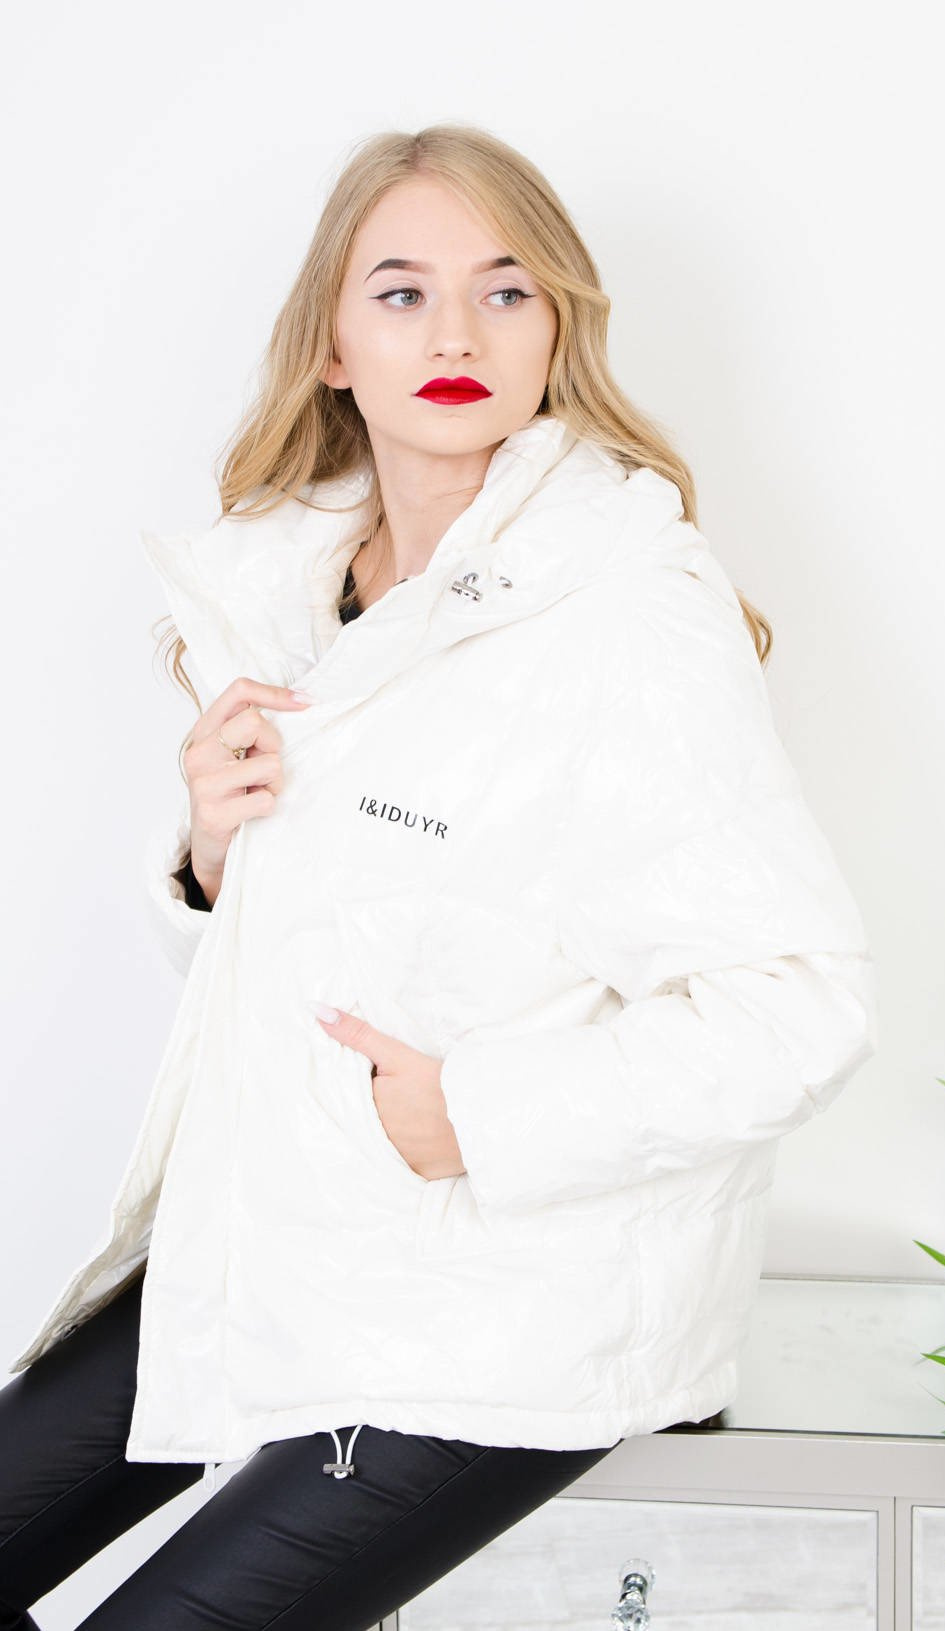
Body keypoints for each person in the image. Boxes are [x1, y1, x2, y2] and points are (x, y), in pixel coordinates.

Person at [0, 124, 878, 1629]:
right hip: (289, 1227)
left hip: (506, 1306)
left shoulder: (628, 613)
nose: (457, 333)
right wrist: (212, 863)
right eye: (402, 292)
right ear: (331, 346)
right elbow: (355, 957)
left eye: (506, 291)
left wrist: (478, 1112)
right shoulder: (293, 597)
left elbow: (800, 1006)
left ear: (558, 332)